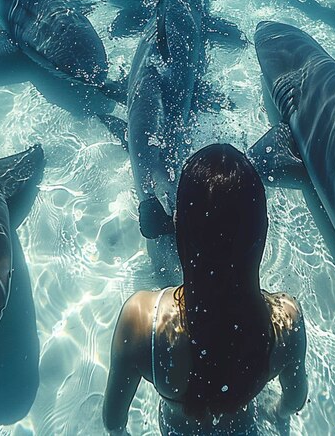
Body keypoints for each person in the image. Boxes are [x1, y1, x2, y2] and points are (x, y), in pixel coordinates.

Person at [103, 144, 308, 435]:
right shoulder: (285, 320)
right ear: (262, 230)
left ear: (178, 226)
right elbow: (294, 401)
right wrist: (277, 414)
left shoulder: (141, 321)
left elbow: (114, 422)